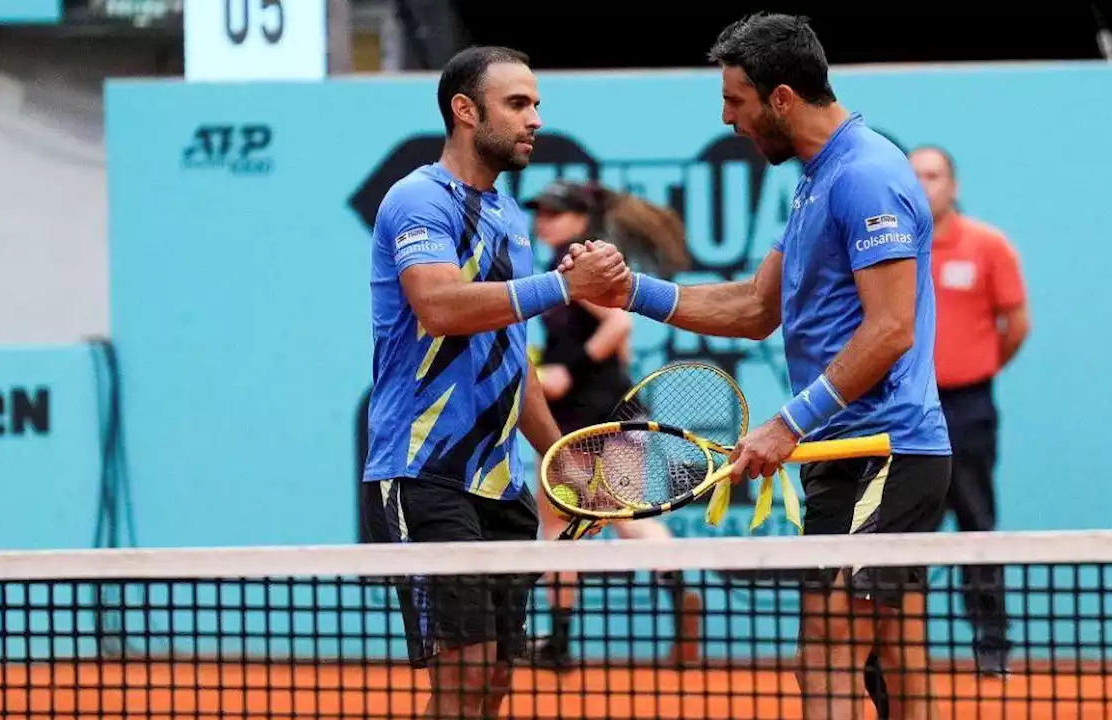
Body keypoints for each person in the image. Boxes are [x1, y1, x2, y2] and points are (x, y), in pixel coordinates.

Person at [559, 13, 951, 719]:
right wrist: (630, 293)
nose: (726, 117)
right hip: (843, 452)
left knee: (828, 649)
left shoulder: (865, 175)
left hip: (889, 450)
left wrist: (786, 423)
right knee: (894, 648)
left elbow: (891, 330)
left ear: (780, 99)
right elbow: (753, 308)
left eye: (735, 100)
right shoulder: (816, 181)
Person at [359, 45, 630, 719]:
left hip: (499, 483)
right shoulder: (418, 200)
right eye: (518, 104)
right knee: (464, 673)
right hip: (424, 471)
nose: (534, 118)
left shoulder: (510, 218)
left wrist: (564, 464)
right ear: (465, 110)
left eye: (536, 104)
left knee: (496, 680)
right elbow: (440, 308)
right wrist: (565, 284)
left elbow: (513, 359)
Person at [520, 179, 702, 669]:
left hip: (593, 414)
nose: (544, 221)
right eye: (540, 212)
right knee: (575, 521)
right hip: (600, 411)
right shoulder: (577, 265)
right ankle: (561, 641)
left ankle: (558, 643)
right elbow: (617, 339)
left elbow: (620, 326)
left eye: (555, 213)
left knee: (585, 520)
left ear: (581, 219)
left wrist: (566, 371)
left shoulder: (575, 266)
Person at [910, 144, 1031, 675]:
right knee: (907, 531)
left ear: (953, 186)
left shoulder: (988, 246)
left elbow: (1016, 326)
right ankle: (903, 647)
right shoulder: (891, 249)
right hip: (906, 411)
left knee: (977, 524)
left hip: (968, 408)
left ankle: (992, 646)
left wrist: (974, 369)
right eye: (914, 176)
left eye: (933, 175)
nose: (924, 184)